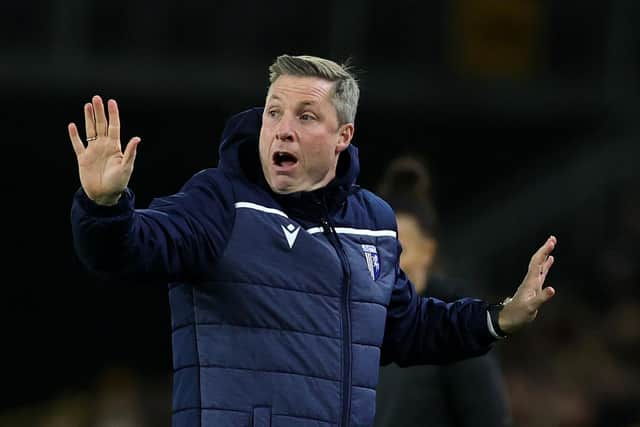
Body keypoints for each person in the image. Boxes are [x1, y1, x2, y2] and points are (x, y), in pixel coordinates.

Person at [68, 54, 557, 427]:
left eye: (305, 116)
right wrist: (104, 207)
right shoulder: (220, 201)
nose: (283, 129)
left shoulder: (374, 222)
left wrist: (497, 319)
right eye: (274, 112)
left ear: (342, 135)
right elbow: (127, 250)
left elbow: (406, 327)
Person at [374, 156, 512, 427]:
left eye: (401, 249)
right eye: (381, 249)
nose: (390, 261)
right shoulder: (357, 323)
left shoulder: (459, 331)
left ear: (428, 251)